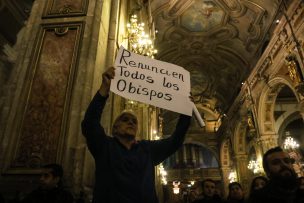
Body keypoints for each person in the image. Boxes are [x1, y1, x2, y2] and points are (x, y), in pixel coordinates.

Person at [81, 67, 192, 203]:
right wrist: (104, 88)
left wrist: (186, 112)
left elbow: (175, 141)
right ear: (115, 128)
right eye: (125, 120)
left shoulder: (148, 149)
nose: (130, 123)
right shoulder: (104, 146)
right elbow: (90, 123)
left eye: (134, 121)